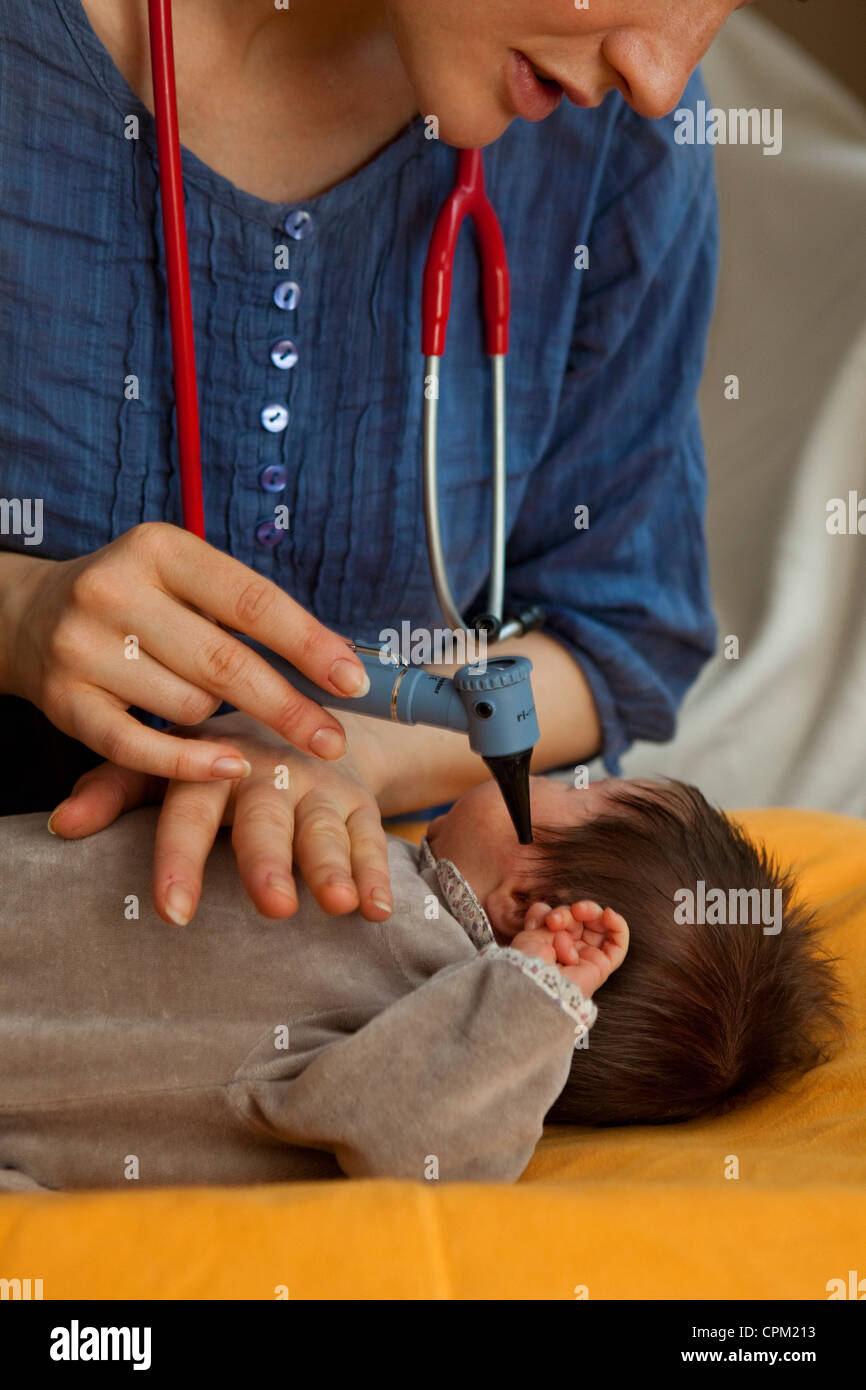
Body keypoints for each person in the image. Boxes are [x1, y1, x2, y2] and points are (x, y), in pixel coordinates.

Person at [1, 1, 734, 921]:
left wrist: (350, 749)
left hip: (362, 924)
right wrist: (15, 614)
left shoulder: (620, 139)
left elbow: (619, 639)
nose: (659, 78)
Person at [0, 774, 845, 1190]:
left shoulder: (427, 1016)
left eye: (582, 790)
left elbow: (413, 1139)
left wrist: (531, 997)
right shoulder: (389, 871)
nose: (552, 766)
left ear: (525, 902)